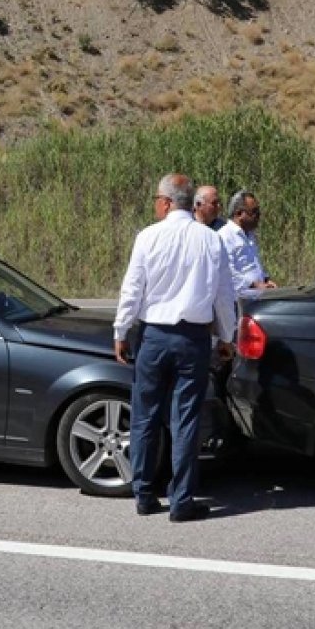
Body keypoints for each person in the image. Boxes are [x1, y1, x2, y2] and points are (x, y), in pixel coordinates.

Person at [113, 173, 236, 523]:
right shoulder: (211, 241)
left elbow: (132, 288)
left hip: (153, 336)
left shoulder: (148, 237)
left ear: (167, 202)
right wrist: (227, 337)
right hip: (193, 339)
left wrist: (121, 330)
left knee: (145, 416)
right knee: (185, 420)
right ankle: (181, 500)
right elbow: (224, 296)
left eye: (156, 199)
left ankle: (144, 494)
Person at [218, 190, 276, 300]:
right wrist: (255, 285)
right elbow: (228, 272)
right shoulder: (225, 236)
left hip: (257, 295)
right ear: (239, 213)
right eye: (254, 212)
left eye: (258, 212)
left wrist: (266, 280)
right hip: (239, 300)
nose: (258, 216)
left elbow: (254, 263)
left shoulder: (249, 235)